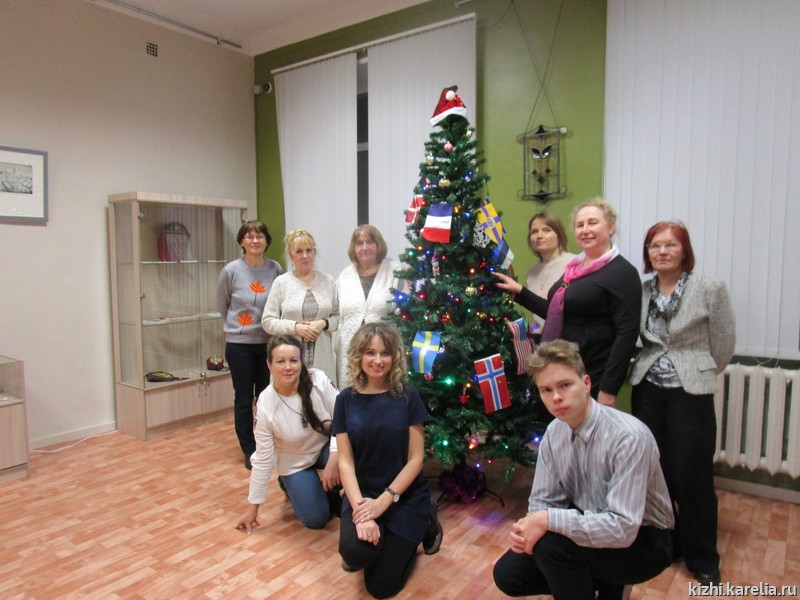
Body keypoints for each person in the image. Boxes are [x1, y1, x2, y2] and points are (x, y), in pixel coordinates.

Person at [492, 340, 675, 600]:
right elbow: (543, 501)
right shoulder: (554, 433)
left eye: (565, 385)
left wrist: (547, 521)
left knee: (550, 547)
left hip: (643, 539)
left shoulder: (628, 437)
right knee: (509, 574)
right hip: (590, 519)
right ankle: (606, 583)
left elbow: (622, 528)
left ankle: (610, 582)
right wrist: (529, 528)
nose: (556, 397)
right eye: (546, 390)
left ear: (586, 383)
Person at [629, 221, 735, 586]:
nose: (662, 251)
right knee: (656, 470)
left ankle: (703, 557)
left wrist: (698, 368)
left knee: (692, 474)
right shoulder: (643, 290)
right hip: (648, 390)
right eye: (655, 246)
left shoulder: (709, 288)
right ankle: (667, 542)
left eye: (670, 245)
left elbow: (723, 342)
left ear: (684, 250)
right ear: (648, 253)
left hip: (691, 392)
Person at [494, 198, 641, 406]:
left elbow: (626, 334)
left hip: (594, 375)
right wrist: (520, 293)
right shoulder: (575, 268)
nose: (585, 230)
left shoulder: (622, 272)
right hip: (566, 370)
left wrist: (608, 389)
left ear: (611, 227)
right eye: (580, 225)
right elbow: (558, 312)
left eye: (593, 223)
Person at [333, 322, 443, 599]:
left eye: (385, 353)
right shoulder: (345, 399)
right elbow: (345, 462)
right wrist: (361, 511)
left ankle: (426, 522)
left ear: (394, 357)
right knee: (355, 554)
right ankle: (379, 543)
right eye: (370, 353)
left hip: (403, 496)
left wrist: (384, 501)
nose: (378, 360)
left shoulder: (408, 396)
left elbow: (416, 459)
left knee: (381, 588)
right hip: (362, 494)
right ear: (359, 356)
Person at [235, 335, 340, 531]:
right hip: (294, 461)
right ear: (269, 365)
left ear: (301, 362)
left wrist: (334, 459)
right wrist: (253, 508)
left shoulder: (318, 380)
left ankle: (330, 488)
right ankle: (289, 484)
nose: (288, 367)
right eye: (280, 361)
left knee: (351, 456)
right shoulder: (266, 403)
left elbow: (344, 417)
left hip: (325, 448)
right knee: (316, 519)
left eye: (294, 360)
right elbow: (263, 458)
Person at [217, 220, 283, 470]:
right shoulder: (231, 271)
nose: (255, 241)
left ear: (266, 241)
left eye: (259, 236)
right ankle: (249, 448)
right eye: (249, 236)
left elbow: (279, 302)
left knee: (267, 396)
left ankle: (266, 442)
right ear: (242, 242)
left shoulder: (275, 269)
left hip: (269, 344)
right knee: (244, 398)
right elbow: (223, 305)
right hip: (239, 345)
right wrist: (239, 328)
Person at [262, 228, 340, 386]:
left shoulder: (328, 281)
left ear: (314, 253)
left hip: (323, 362)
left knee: (323, 399)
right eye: (299, 251)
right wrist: (295, 328)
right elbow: (267, 321)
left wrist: (323, 323)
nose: (305, 256)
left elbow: (339, 317)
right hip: (288, 363)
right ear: (291, 256)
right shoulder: (282, 283)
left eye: (309, 250)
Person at [335, 225, 399, 388]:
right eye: (359, 243)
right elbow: (337, 314)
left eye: (370, 242)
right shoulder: (345, 276)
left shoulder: (395, 271)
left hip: (383, 352)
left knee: (383, 391)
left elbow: (406, 311)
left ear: (378, 244)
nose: (364, 247)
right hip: (350, 349)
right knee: (351, 392)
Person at [524, 211, 575, 340]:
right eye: (534, 231)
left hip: (566, 342)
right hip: (540, 342)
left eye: (547, 230)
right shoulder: (531, 272)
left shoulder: (574, 264)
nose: (539, 236)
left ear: (559, 234)